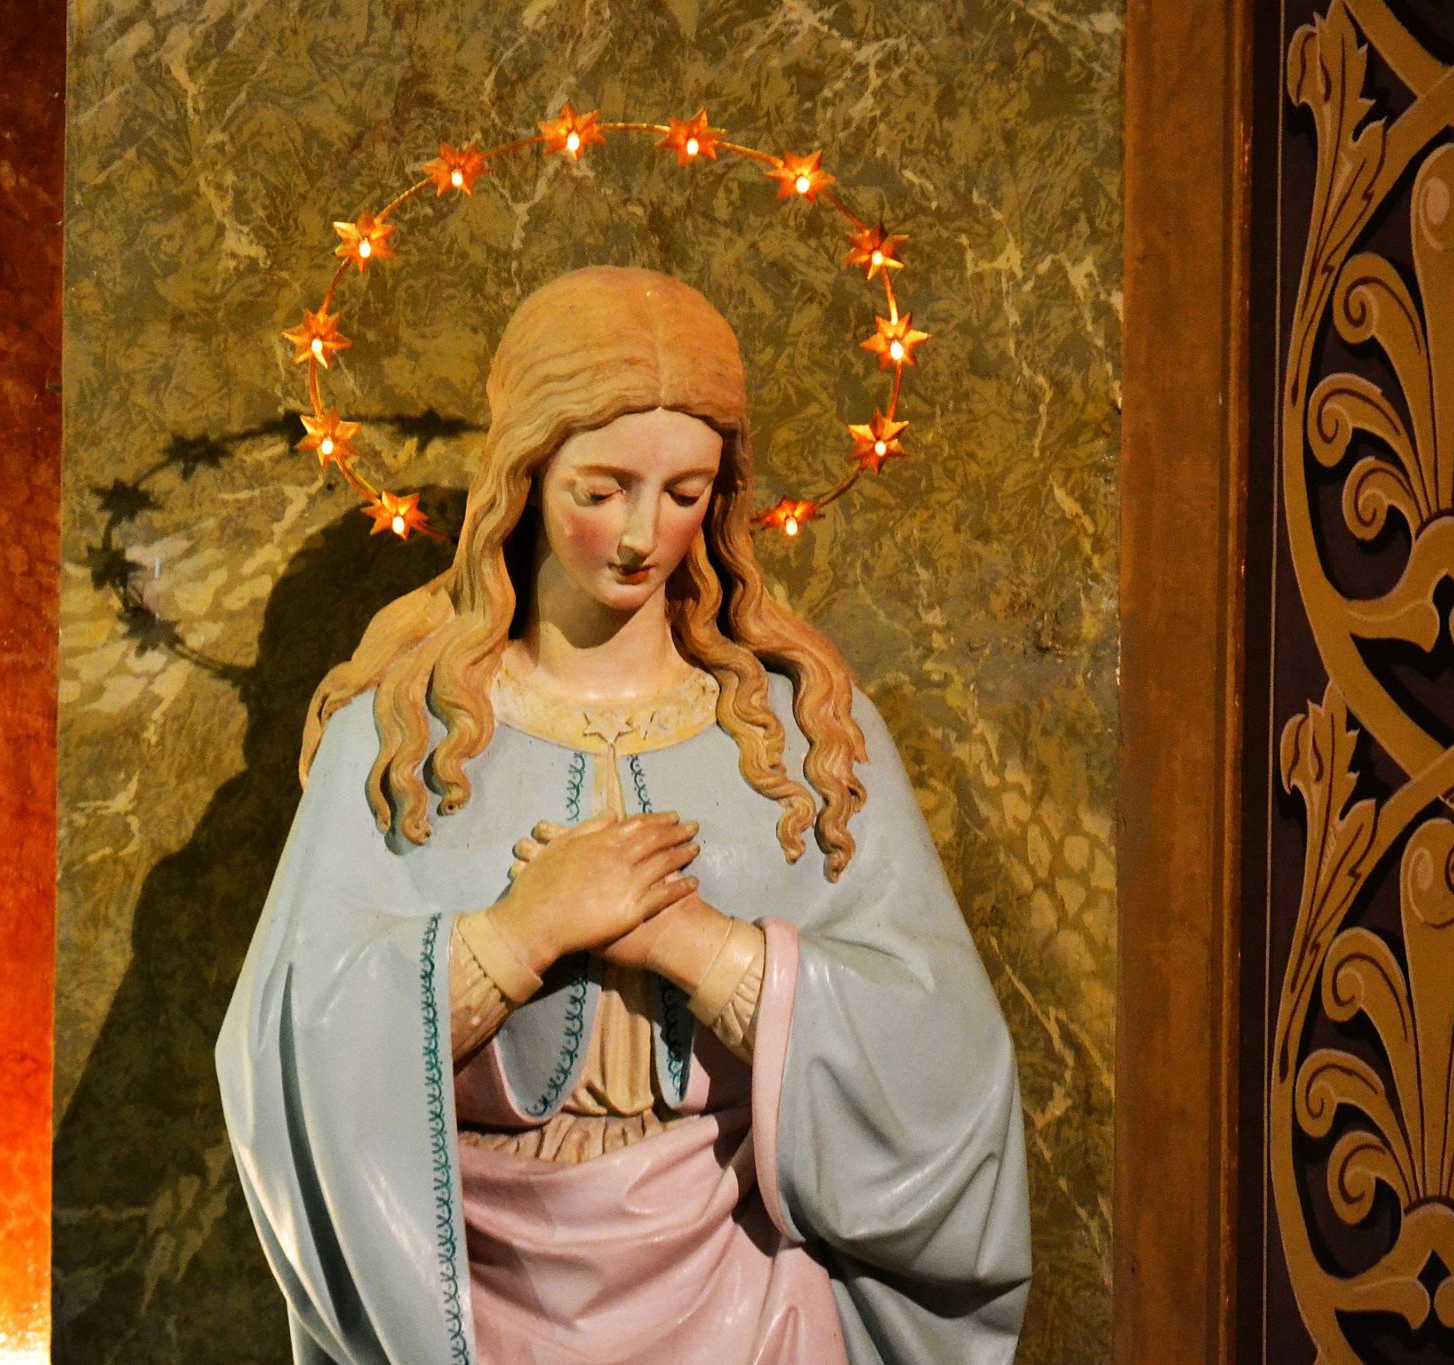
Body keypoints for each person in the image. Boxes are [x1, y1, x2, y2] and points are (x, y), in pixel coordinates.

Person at [217, 265, 1030, 1364]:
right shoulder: (400, 734)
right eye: (600, 492)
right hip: (470, 1309)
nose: (643, 534)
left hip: (747, 1304)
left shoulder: (809, 738)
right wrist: (517, 936)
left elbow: (947, 1065)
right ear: (523, 477)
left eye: (685, 493)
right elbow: (285, 1053)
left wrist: (704, 949)